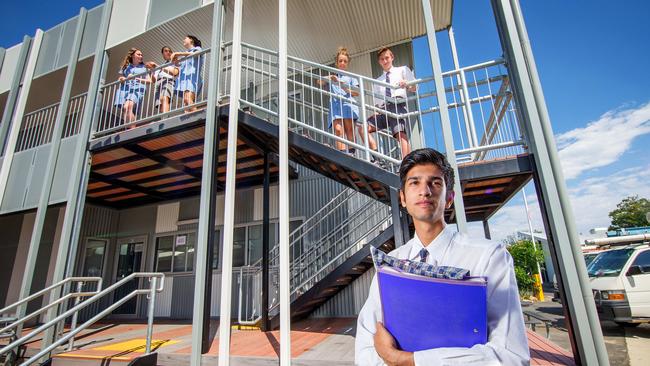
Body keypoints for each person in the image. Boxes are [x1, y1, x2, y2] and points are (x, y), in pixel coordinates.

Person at [355, 148, 530, 366]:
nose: (425, 191)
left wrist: (405, 360)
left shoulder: (489, 257)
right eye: (414, 183)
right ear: (402, 198)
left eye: (435, 183)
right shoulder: (390, 263)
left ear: (449, 198)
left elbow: (510, 356)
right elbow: (366, 345)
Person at [358, 47, 415, 159]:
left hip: (397, 104)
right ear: (379, 62)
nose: (385, 61)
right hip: (382, 110)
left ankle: (406, 164)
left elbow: (415, 87)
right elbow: (377, 100)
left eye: (387, 58)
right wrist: (376, 111)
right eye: (382, 59)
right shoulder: (377, 80)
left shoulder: (402, 70)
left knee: (400, 134)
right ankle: (377, 157)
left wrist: (407, 84)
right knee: (363, 128)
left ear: (392, 57)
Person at [318, 47, 359, 154]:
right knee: (338, 130)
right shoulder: (333, 77)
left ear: (347, 63)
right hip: (336, 106)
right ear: (337, 63)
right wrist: (331, 77)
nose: (342, 63)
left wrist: (341, 85)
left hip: (348, 105)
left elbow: (356, 92)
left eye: (345, 61)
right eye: (340, 61)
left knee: (349, 130)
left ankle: (351, 154)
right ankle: (343, 154)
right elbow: (319, 82)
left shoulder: (351, 77)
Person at [113, 48, 151, 127]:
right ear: (132, 55)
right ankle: (128, 129)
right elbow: (120, 78)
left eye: (141, 55)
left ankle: (132, 129)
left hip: (138, 89)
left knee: (128, 106)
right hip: (126, 89)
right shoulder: (126, 67)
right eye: (138, 54)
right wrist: (122, 79)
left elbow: (149, 81)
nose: (141, 56)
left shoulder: (144, 67)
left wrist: (136, 78)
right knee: (125, 108)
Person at [172, 35, 204, 113]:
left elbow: (196, 53)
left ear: (191, 41)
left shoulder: (197, 49)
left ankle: (199, 116)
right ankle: (190, 121)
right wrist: (174, 58)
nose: (183, 40)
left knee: (188, 99)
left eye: (185, 38)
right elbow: (177, 64)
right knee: (186, 104)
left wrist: (178, 53)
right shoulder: (185, 55)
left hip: (192, 79)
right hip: (185, 80)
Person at [147, 46, 179, 113]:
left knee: (165, 98)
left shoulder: (174, 62)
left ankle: (165, 119)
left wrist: (157, 66)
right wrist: (150, 71)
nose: (168, 52)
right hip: (158, 84)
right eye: (166, 51)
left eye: (170, 51)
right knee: (160, 104)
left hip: (168, 81)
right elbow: (153, 80)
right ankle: (163, 119)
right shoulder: (160, 66)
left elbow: (175, 73)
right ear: (162, 54)